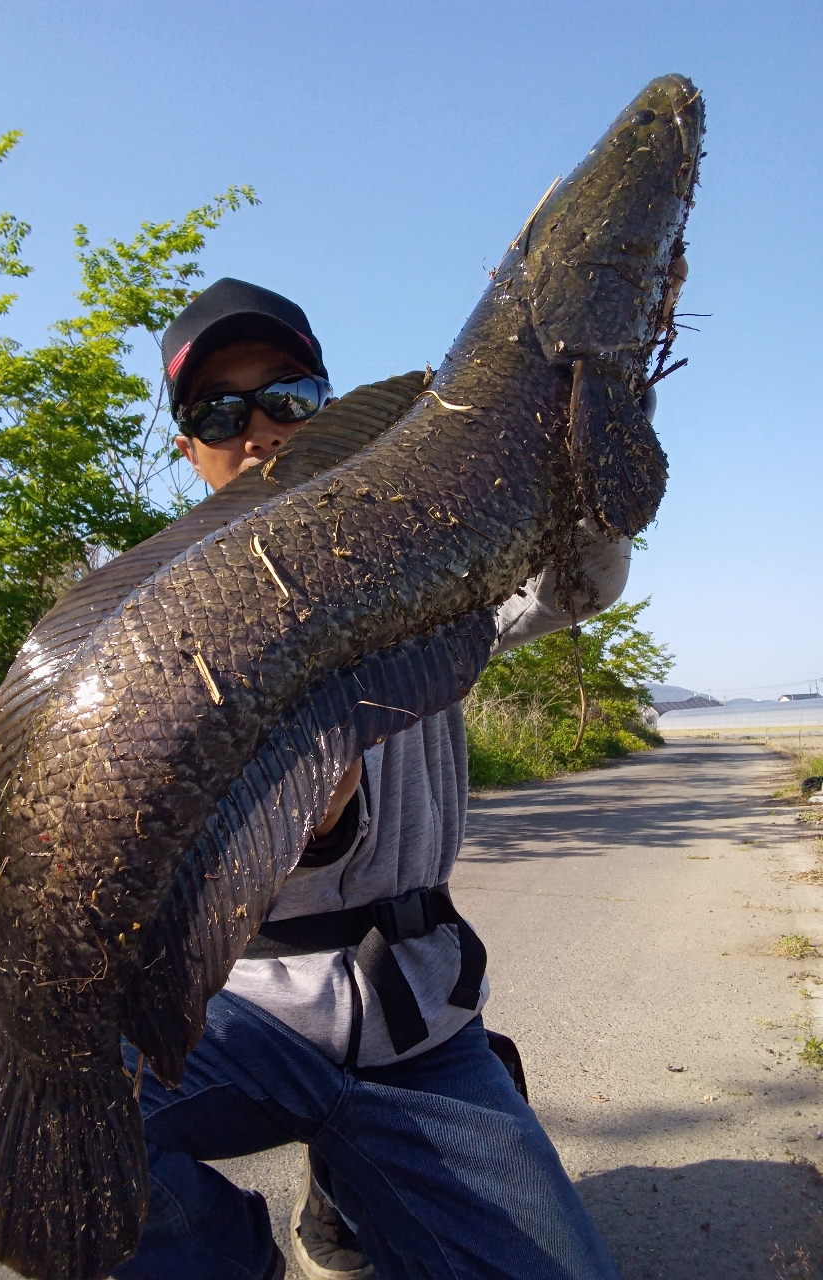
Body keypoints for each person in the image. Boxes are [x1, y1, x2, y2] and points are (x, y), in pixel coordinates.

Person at [109, 277, 645, 1280]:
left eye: (287, 396)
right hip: (241, 1014)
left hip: (416, 1025)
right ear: (187, 447)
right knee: (25, 1139)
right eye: (219, 411)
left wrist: (595, 380)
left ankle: (362, 1181)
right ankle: (243, 1258)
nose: (259, 429)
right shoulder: (158, 624)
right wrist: (295, 825)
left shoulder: (426, 547)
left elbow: (584, 572)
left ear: (333, 405)